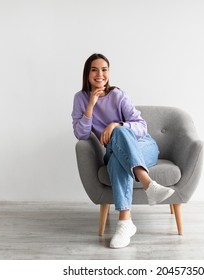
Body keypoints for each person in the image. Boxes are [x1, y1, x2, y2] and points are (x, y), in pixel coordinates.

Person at [71, 53, 175, 249]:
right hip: (114, 149)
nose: (100, 74)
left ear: (109, 73)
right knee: (117, 153)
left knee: (118, 153)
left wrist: (116, 124)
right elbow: (81, 134)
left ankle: (125, 223)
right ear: (87, 73)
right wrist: (91, 105)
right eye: (94, 69)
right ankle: (149, 185)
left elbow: (141, 126)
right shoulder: (81, 99)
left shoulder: (118, 95)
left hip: (144, 145)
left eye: (104, 70)